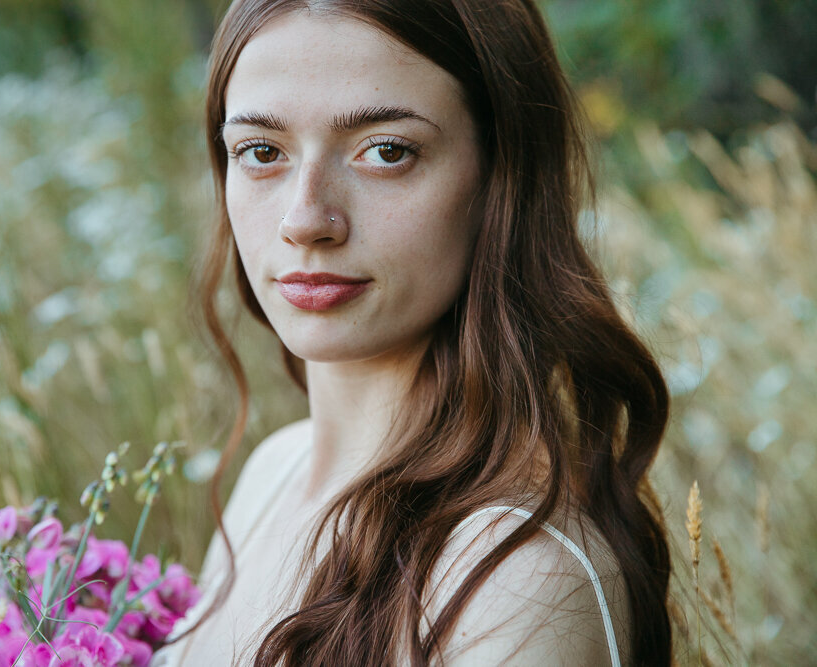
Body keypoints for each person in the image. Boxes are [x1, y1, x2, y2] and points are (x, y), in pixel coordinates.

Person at [155, 0, 672, 664]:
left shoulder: (519, 577)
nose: (306, 217)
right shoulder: (273, 472)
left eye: (387, 150)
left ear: (499, 175)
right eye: (262, 151)